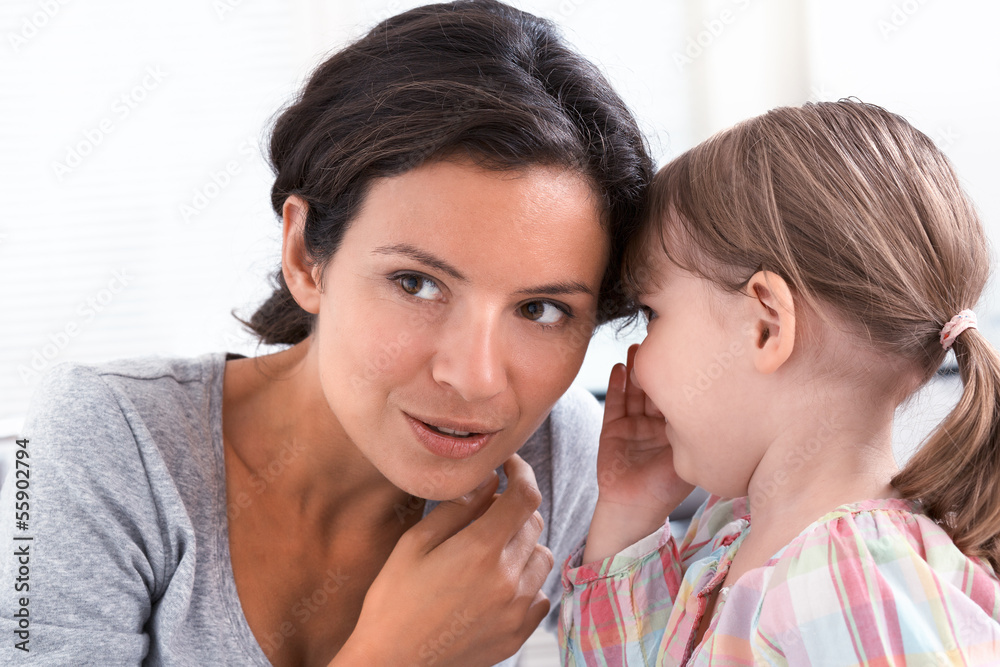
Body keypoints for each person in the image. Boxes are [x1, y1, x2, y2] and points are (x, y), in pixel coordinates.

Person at [0, 2, 654, 665]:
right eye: (417, 283)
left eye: (540, 308)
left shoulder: (558, 454)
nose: (476, 377)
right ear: (304, 256)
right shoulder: (106, 441)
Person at [558, 100, 1000, 665]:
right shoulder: (731, 534)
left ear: (766, 326)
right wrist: (630, 514)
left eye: (652, 313)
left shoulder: (849, 580)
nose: (637, 360)